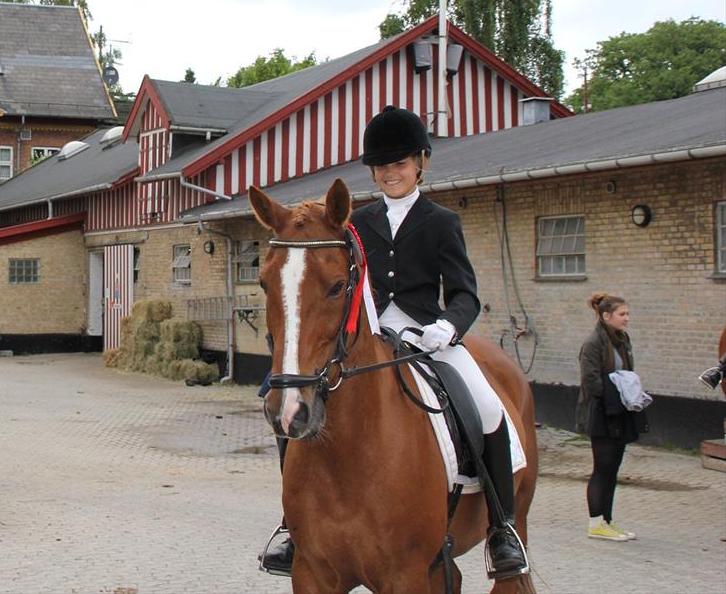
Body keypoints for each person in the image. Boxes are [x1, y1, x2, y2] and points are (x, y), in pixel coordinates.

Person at [259, 106, 528, 580]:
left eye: (400, 163)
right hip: (371, 334)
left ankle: (503, 528)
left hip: (430, 337)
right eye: (382, 166)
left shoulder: (441, 221)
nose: (391, 173)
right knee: (294, 404)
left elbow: (465, 292)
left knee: (488, 407)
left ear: (420, 162)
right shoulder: (355, 224)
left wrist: (449, 326)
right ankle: (292, 526)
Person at [578, 293, 647, 542]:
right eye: (622, 314)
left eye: (627, 314)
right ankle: (595, 522)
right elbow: (591, 380)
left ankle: (607, 520)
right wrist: (615, 394)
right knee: (602, 468)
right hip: (600, 413)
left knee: (613, 469)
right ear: (606, 316)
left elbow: (627, 371)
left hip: (620, 411)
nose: (626, 319)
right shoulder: (594, 342)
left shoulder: (622, 339)